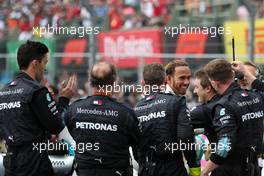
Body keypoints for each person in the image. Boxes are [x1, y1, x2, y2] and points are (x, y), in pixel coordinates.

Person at [0, 40, 77, 176]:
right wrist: (64, 99)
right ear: (35, 64)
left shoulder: (4, 91)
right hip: (34, 163)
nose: (44, 69)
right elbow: (56, 126)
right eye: (44, 63)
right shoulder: (36, 91)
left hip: (10, 162)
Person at [64, 61, 139, 176]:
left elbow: (71, 132)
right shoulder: (126, 113)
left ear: (90, 82)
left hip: (84, 172)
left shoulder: (74, 109)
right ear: (114, 82)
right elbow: (137, 146)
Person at [134, 63, 200, 176]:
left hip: (146, 169)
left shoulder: (136, 109)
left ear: (143, 83)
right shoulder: (176, 102)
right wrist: (194, 166)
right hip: (172, 169)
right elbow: (185, 137)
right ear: (165, 80)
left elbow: (134, 144)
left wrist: (143, 164)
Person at [202, 59, 264, 176]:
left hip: (230, 169)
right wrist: (245, 72)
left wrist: (205, 172)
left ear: (214, 83)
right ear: (233, 76)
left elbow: (225, 146)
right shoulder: (256, 96)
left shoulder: (223, 105)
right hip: (253, 168)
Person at [191, 68, 220, 142]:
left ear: (207, 88)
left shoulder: (202, 111)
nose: (194, 91)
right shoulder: (226, 100)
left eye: (197, 87)